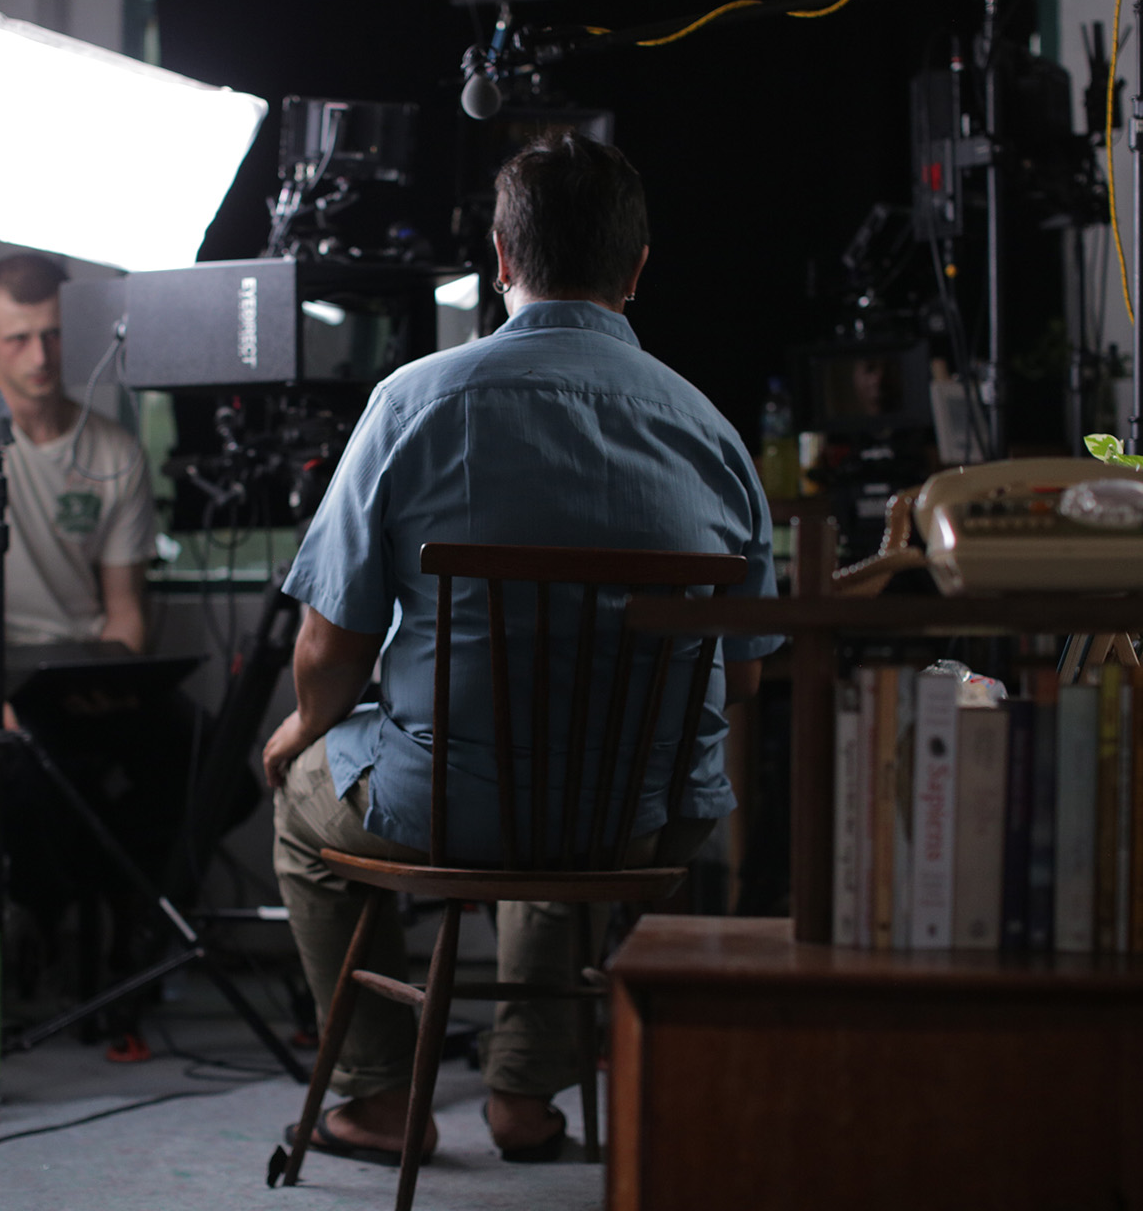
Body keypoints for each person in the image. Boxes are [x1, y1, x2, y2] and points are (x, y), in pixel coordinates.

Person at [264, 133, 782, 1164]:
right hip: (636, 828)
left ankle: (376, 1095)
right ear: (638, 270)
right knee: (571, 810)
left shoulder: (412, 403)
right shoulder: (714, 436)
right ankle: (525, 1095)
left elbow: (329, 644)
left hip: (445, 809)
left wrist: (302, 730)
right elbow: (746, 673)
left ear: (499, 256)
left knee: (299, 805)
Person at [0, 252, 180, 1059]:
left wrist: (113, 682)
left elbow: (128, 617)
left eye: (54, 336)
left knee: (209, 760)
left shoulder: (116, 448)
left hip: (80, 665)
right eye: (19, 339)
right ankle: (59, 920)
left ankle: (122, 918)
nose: (41, 358)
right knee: (19, 768)